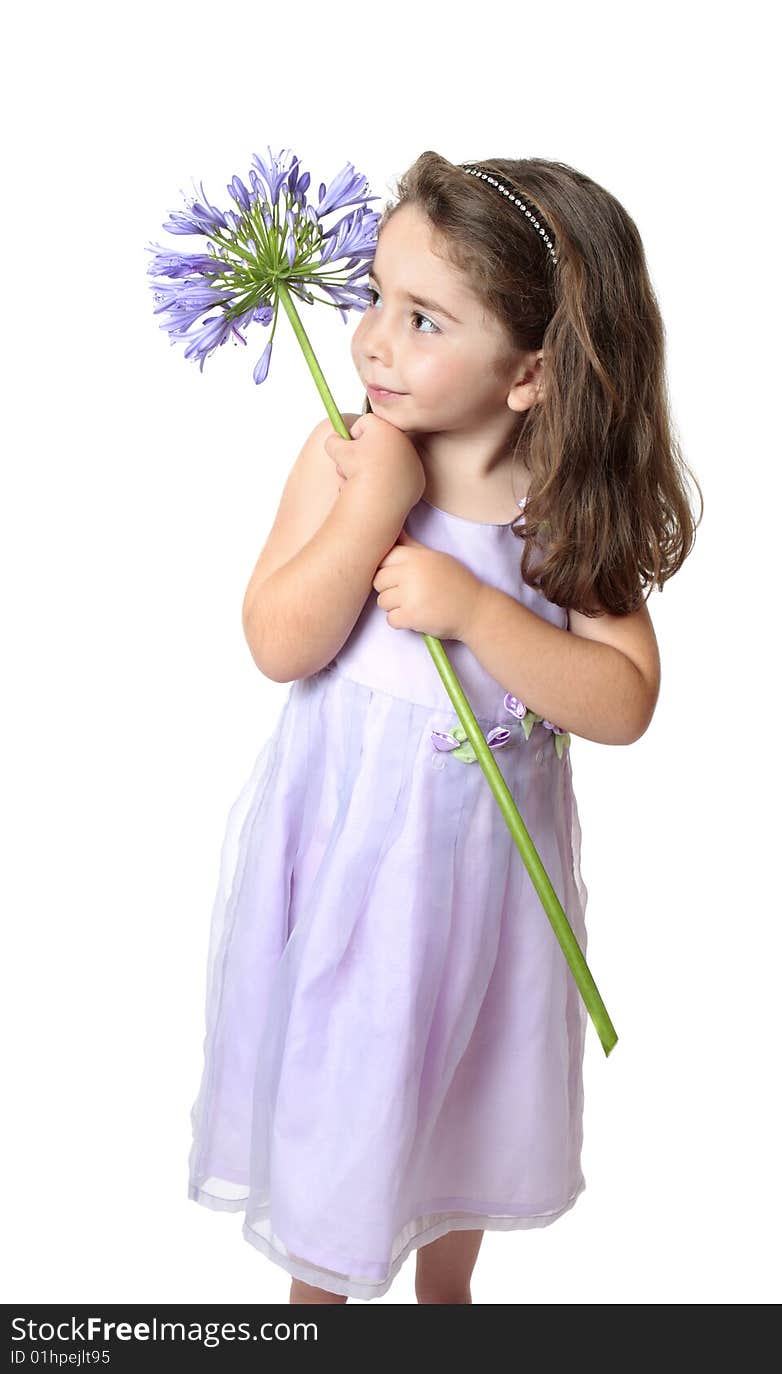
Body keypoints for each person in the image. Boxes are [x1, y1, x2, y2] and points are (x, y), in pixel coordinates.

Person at [187, 152, 700, 1304]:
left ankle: (446, 1302)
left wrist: (475, 612)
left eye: (422, 319)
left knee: (461, 1119)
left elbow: (622, 702)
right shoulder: (343, 460)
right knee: (341, 1131)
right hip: (350, 895)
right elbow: (278, 641)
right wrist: (371, 503)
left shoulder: (559, 508)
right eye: (374, 295)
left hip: (486, 904)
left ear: (527, 374)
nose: (371, 340)